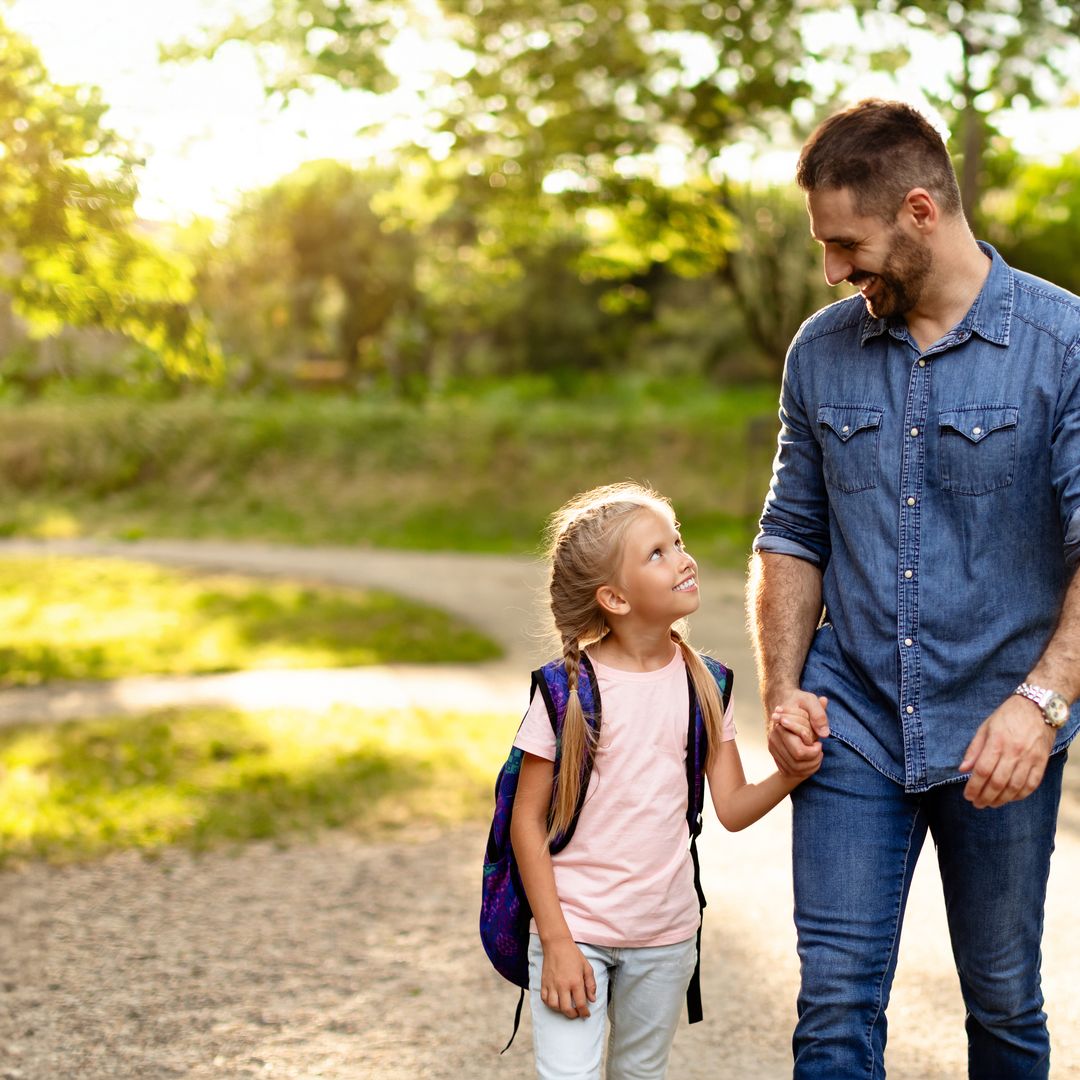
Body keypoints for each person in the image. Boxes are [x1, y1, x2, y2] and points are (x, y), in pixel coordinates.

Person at [748, 97, 1080, 1079]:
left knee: (1003, 1003)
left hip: (1001, 736)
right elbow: (792, 532)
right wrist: (779, 691)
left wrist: (1043, 703)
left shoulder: (1063, 344)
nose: (833, 271)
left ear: (922, 211)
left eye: (846, 243)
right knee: (835, 1007)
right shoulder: (820, 350)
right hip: (850, 725)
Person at [512, 482, 819, 1080]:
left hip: (666, 935)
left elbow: (730, 806)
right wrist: (554, 940)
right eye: (657, 553)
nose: (683, 558)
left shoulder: (705, 683)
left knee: (640, 1073)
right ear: (615, 599)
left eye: (677, 542)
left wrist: (789, 773)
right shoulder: (566, 690)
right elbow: (527, 821)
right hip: (576, 931)